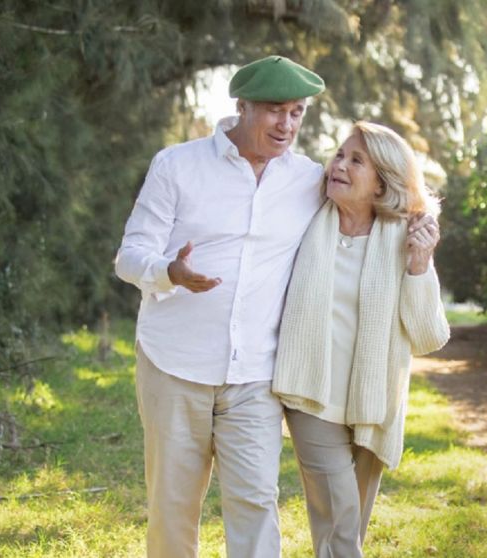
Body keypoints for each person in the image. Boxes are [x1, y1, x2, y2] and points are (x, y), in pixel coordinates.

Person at [114, 55, 328, 558]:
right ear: (242, 107)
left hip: (255, 375)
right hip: (174, 365)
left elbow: (368, 208)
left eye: (297, 112)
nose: (287, 124)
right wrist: (171, 272)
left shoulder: (309, 180)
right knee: (173, 506)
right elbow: (130, 255)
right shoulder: (177, 165)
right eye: (275, 110)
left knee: (256, 503)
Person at [272, 121, 451, 557]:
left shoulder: (404, 238)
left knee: (346, 527)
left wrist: (419, 264)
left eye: (357, 161)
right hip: (311, 393)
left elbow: (429, 336)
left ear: (381, 185)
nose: (339, 166)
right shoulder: (305, 218)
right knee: (341, 515)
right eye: (339, 155)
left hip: (373, 402)